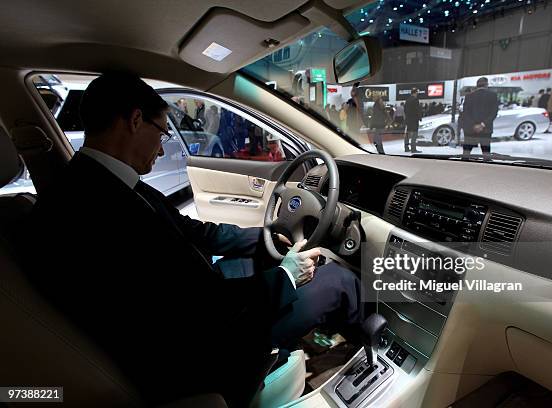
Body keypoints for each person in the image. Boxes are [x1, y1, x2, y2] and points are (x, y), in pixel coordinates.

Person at [23, 72, 362, 407]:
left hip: (182, 319)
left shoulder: (92, 184)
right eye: (162, 130)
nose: (162, 146)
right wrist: (287, 276)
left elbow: (195, 234)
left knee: (261, 259)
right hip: (201, 352)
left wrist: (268, 235)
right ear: (135, 120)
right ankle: (382, 354)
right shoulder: (102, 211)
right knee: (338, 280)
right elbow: (206, 305)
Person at [460, 77, 498, 160]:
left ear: (477, 85)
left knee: (466, 154)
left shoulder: (469, 96)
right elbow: (494, 113)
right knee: (486, 153)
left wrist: (473, 125)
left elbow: (465, 113)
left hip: (470, 130)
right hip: (486, 129)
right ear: (486, 85)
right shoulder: (493, 96)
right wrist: (482, 124)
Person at [403, 88, 422, 153]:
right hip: (414, 120)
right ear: (415, 93)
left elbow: (405, 110)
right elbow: (417, 109)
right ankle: (413, 149)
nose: (417, 94)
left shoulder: (407, 100)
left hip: (408, 120)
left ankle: (406, 148)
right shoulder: (415, 100)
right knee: (414, 134)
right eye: (417, 93)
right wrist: (420, 117)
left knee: (407, 134)